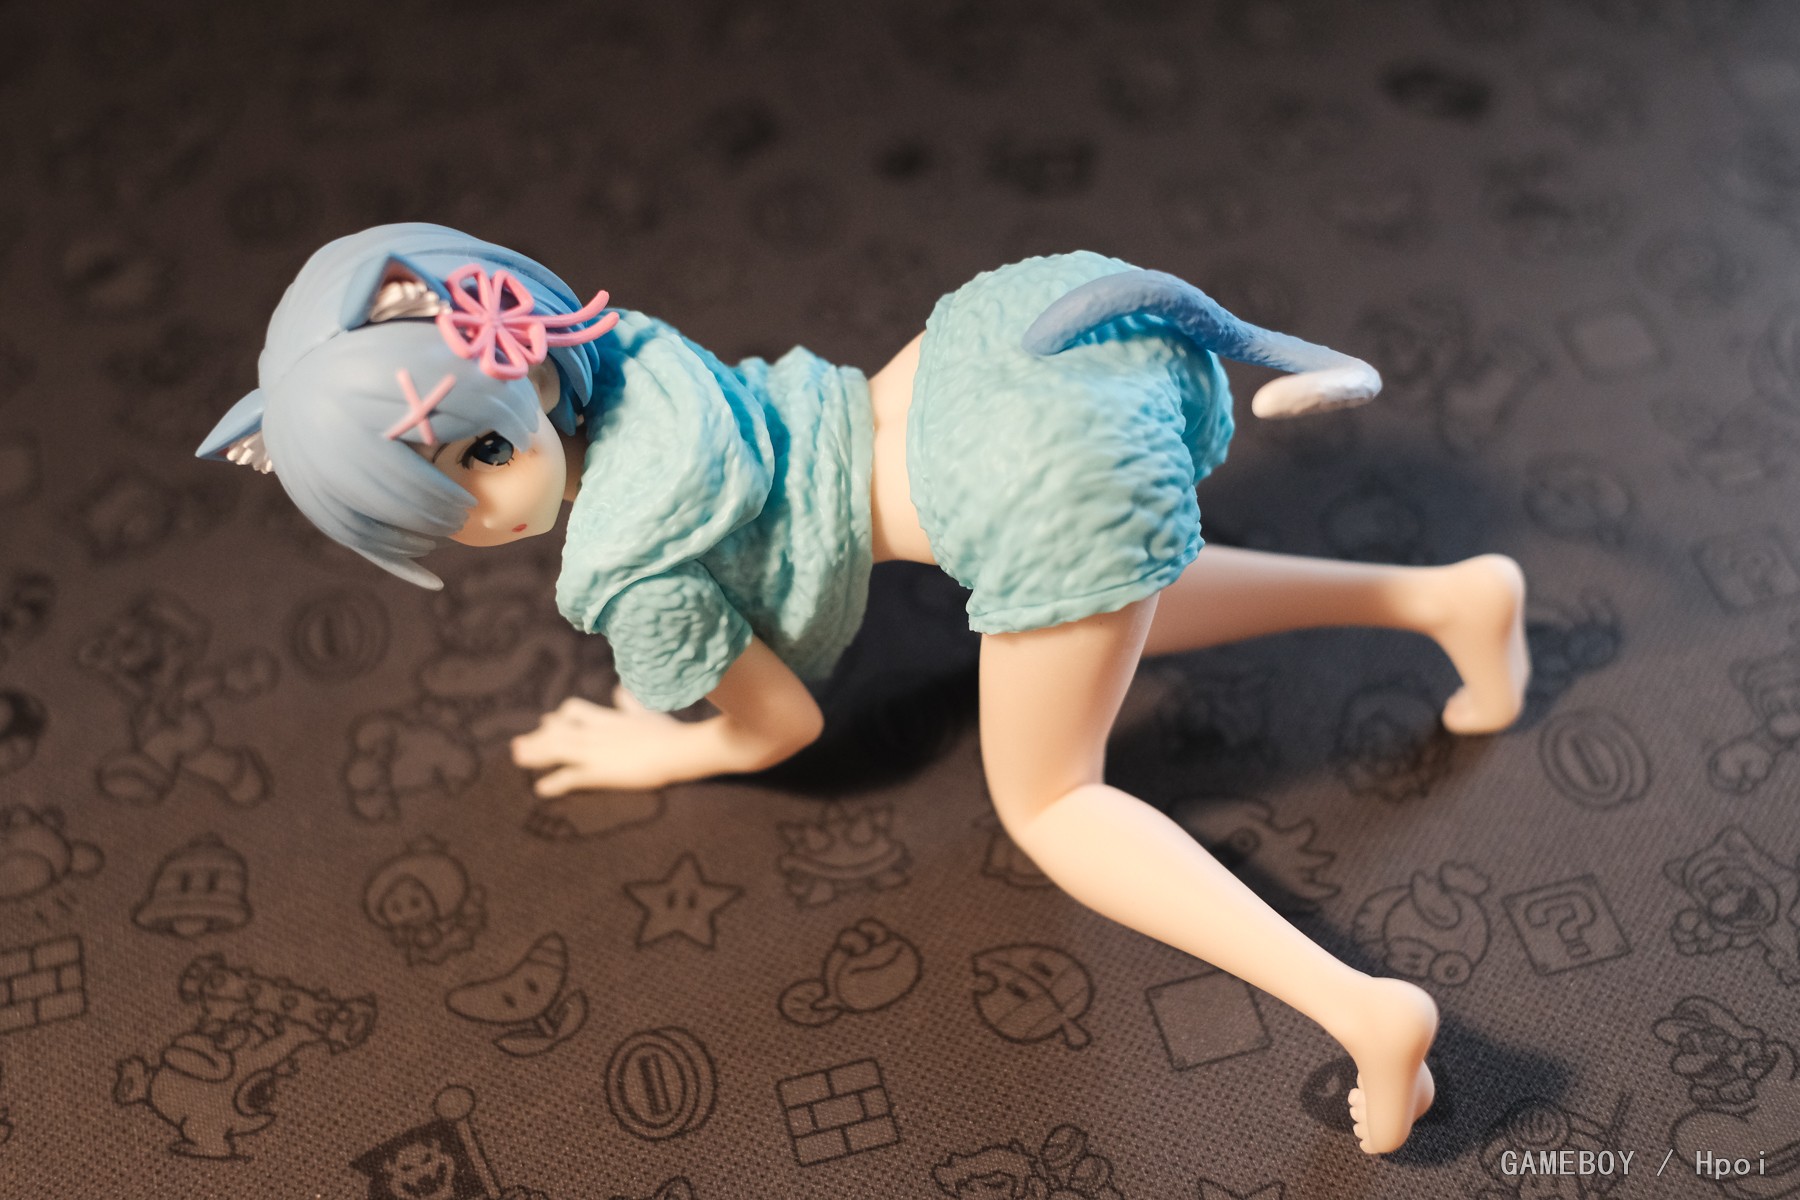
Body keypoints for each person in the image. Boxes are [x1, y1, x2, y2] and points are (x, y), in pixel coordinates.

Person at [199, 223, 1530, 1154]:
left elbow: (778, 721)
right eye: (441, 512)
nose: (488, 515)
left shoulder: (626, 570)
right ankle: (1452, 602)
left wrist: (667, 746)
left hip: (1018, 469)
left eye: (481, 454)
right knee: (1111, 577)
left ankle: (1365, 1011)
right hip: (1009, 347)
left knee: (1054, 805)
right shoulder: (630, 353)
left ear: (513, 349)